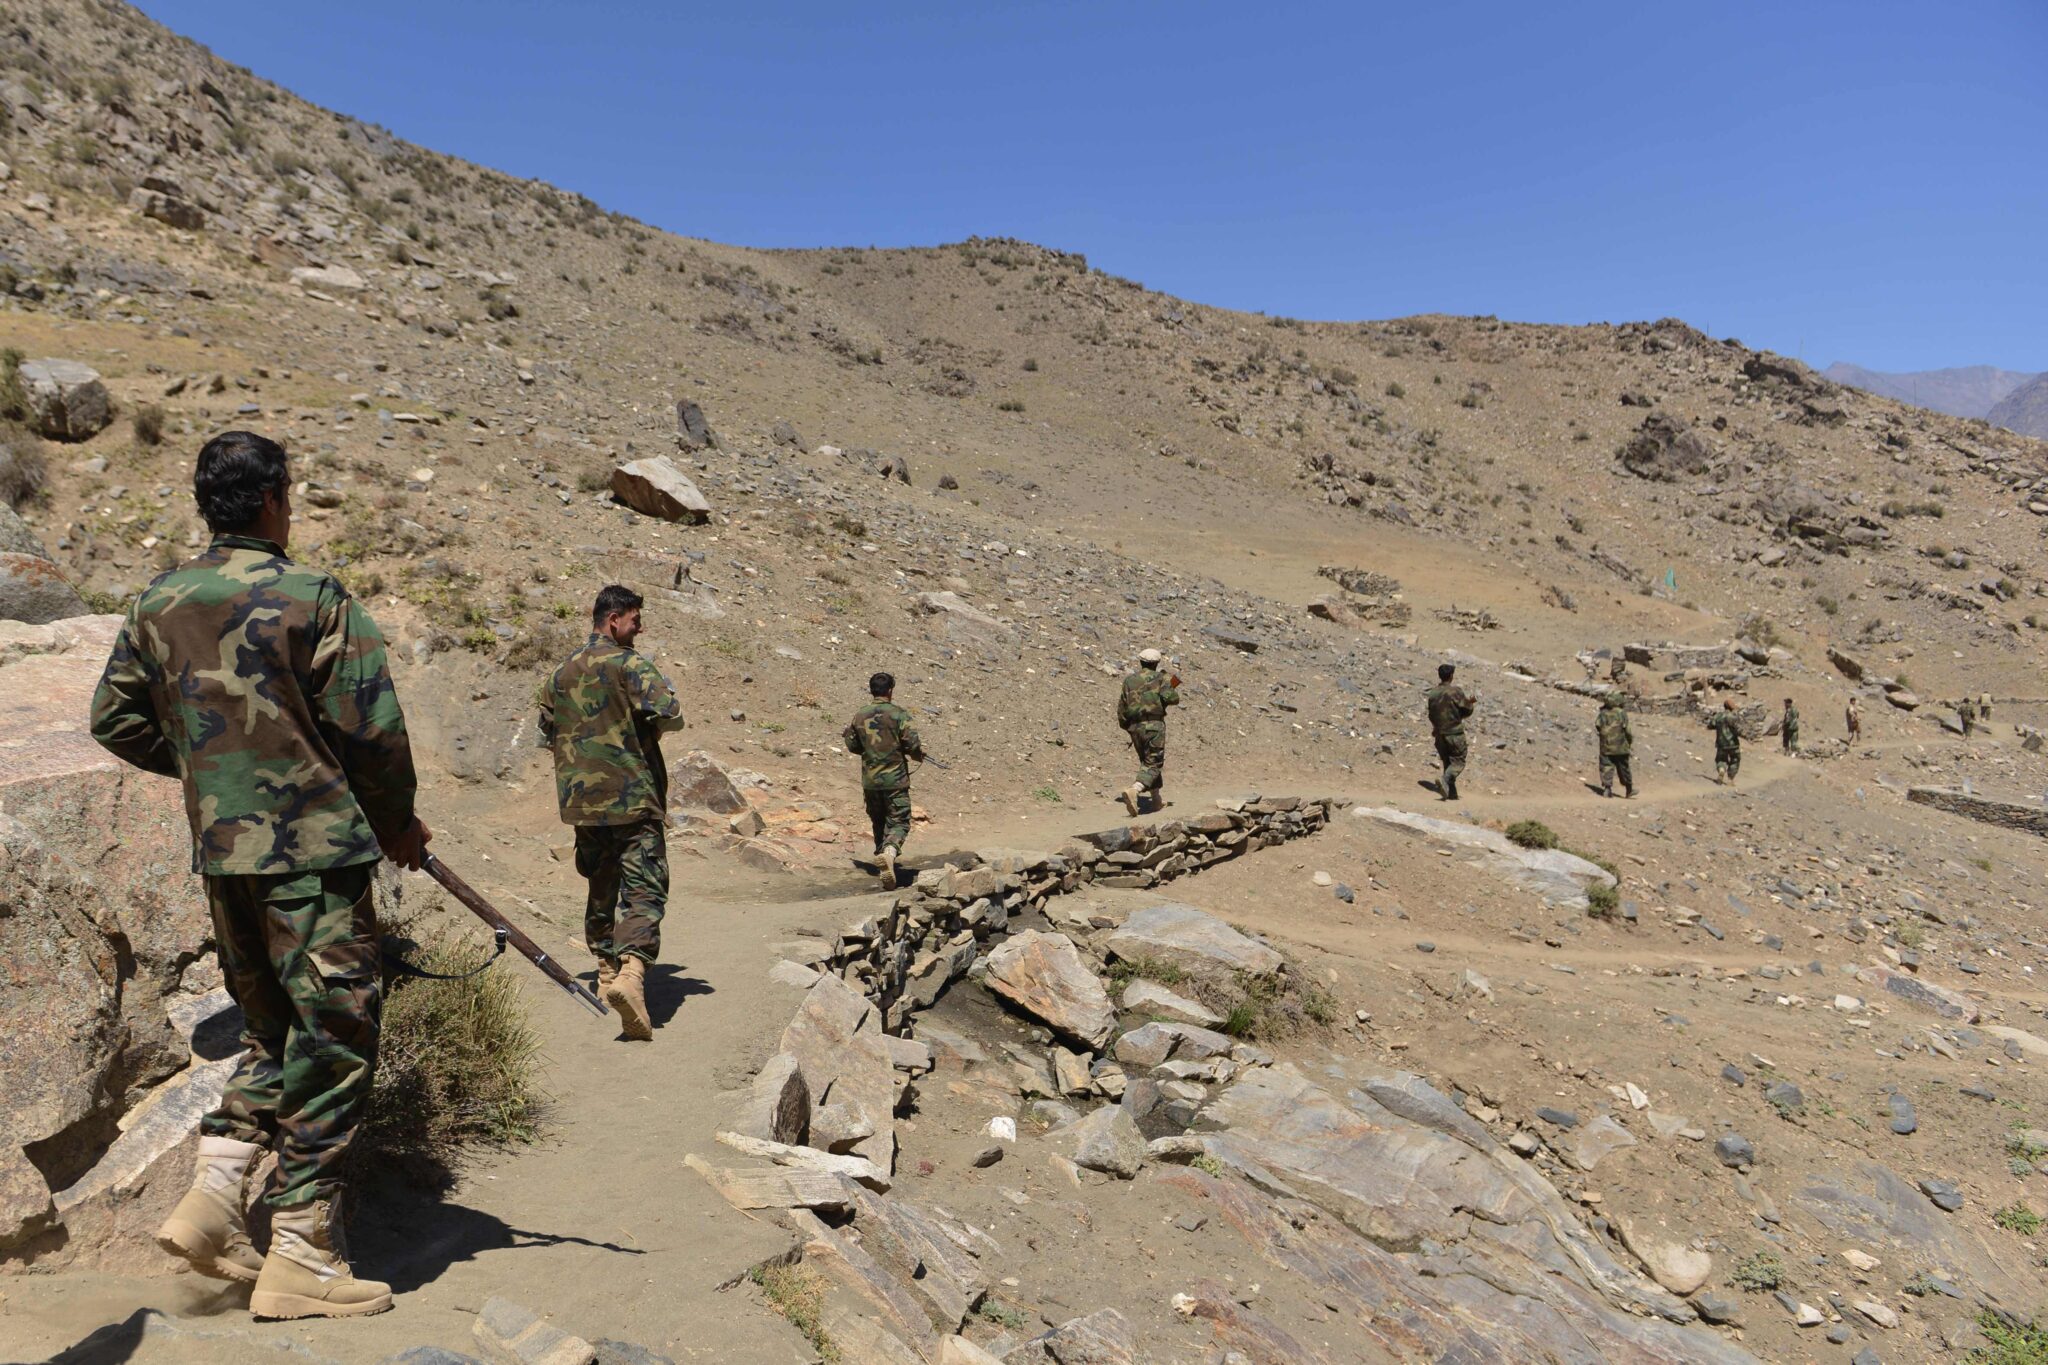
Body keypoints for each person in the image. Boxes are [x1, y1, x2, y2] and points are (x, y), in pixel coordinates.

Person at [90, 431, 426, 1320]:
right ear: (276, 498)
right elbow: (372, 732)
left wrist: (218, 771)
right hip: (313, 858)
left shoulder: (156, 600)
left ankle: (214, 1197)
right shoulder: (312, 595)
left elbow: (113, 720)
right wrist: (395, 823)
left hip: (224, 857)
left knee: (270, 1031)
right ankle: (304, 1250)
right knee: (338, 1036)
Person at [538, 584, 684, 1041]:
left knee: (600, 885)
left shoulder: (559, 673)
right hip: (632, 797)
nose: (639, 629)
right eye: (636, 621)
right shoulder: (629, 664)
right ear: (614, 618)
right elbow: (671, 712)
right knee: (645, 888)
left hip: (582, 802)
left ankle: (604, 973)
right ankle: (632, 975)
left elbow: (547, 729)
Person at [843, 671, 926, 886]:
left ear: (872, 690)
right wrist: (918, 756)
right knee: (899, 820)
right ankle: (889, 853)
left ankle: (884, 862)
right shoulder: (900, 715)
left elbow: (853, 745)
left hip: (870, 781)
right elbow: (912, 745)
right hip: (895, 780)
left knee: (878, 821)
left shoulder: (860, 715)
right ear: (890, 690)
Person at [1116, 648, 1180, 815]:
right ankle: (1135, 790)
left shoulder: (1129, 680)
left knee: (1147, 761)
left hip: (1135, 727)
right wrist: (1171, 684)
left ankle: (1156, 800)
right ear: (1157, 663)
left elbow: (1122, 707)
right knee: (1154, 761)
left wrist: (1128, 727)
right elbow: (1172, 698)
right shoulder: (1162, 678)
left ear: (1141, 661)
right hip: (1154, 725)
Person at [1424, 663, 1476, 801]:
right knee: (1458, 761)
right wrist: (1470, 702)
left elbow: (1432, 714)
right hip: (1454, 733)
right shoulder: (1455, 691)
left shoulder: (1433, 693)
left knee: (1448, 762)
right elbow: (1466, 710)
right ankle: (1445, 780)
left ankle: (1451, 793)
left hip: (1439, 733)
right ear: (1451, 676)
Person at [1597, 692, 1634, 798]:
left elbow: (1598, 725)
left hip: (1606, 746)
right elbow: (1628, 730)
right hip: (1620, 746)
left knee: (1606, 766)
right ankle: (1629, 789)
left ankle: (1607, 788)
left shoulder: (1603, 713)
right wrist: (1629, 741)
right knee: (1624, 767)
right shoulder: (1621, 713)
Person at [1708, 699, 1743, 784]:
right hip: (1733, 744)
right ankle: (1731, 779)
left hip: (1721, 744)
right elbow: (1739, 730)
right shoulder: (1733, 717)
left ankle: (1721, 770)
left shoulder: (1718, 716)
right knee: (1735, 759)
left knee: (1721, 759)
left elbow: (1710, 725)